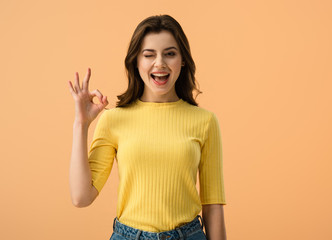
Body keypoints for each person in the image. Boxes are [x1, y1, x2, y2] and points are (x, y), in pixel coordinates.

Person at [68, 14, 227, 240]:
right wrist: (80, 125)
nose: (159, 63)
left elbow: (213, 206)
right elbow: (81, 197)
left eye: (170, 54)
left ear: (182, 60)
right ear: (136, 61)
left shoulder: (205, 121)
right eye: (149, 55)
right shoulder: (113, 119)